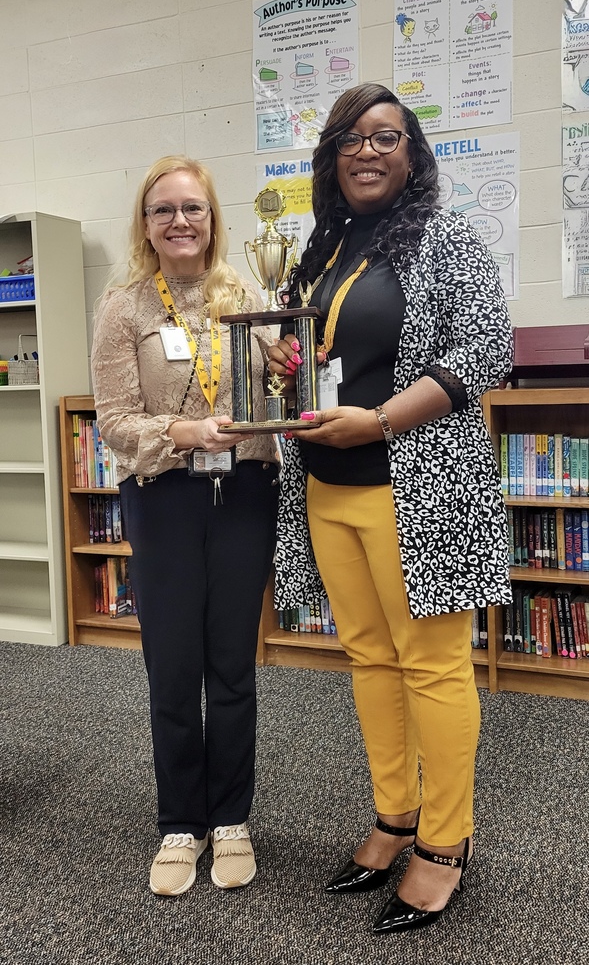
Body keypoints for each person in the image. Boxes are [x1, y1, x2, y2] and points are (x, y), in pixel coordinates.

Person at [268, 83, 513, 933]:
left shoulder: (445, 237)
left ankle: (445, 841)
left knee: (432, 666)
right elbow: (314, 357)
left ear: (412, 154)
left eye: (385, 137)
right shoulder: (321, 249)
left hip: (415, 487)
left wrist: (377, 421)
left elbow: (485, 348)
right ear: (330, 157)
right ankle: (394, 815)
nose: (366, 152)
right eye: (350, 139)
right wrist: (286, 366)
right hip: (327, 488)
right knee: (370, 659)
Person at [91, 155, 279, 896]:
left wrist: (291, 366)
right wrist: (183, 433)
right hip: (163, 495)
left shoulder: (246, 292)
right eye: (163, 209)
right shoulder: (125, 307)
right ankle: (180, 823)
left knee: (231, 666)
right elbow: (114, 420)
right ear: (145, 224)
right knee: (172, 667)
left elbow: (278, 392)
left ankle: (229, 818)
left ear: (212, 217)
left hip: (245, 494)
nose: (179, 221)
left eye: (192, 208)